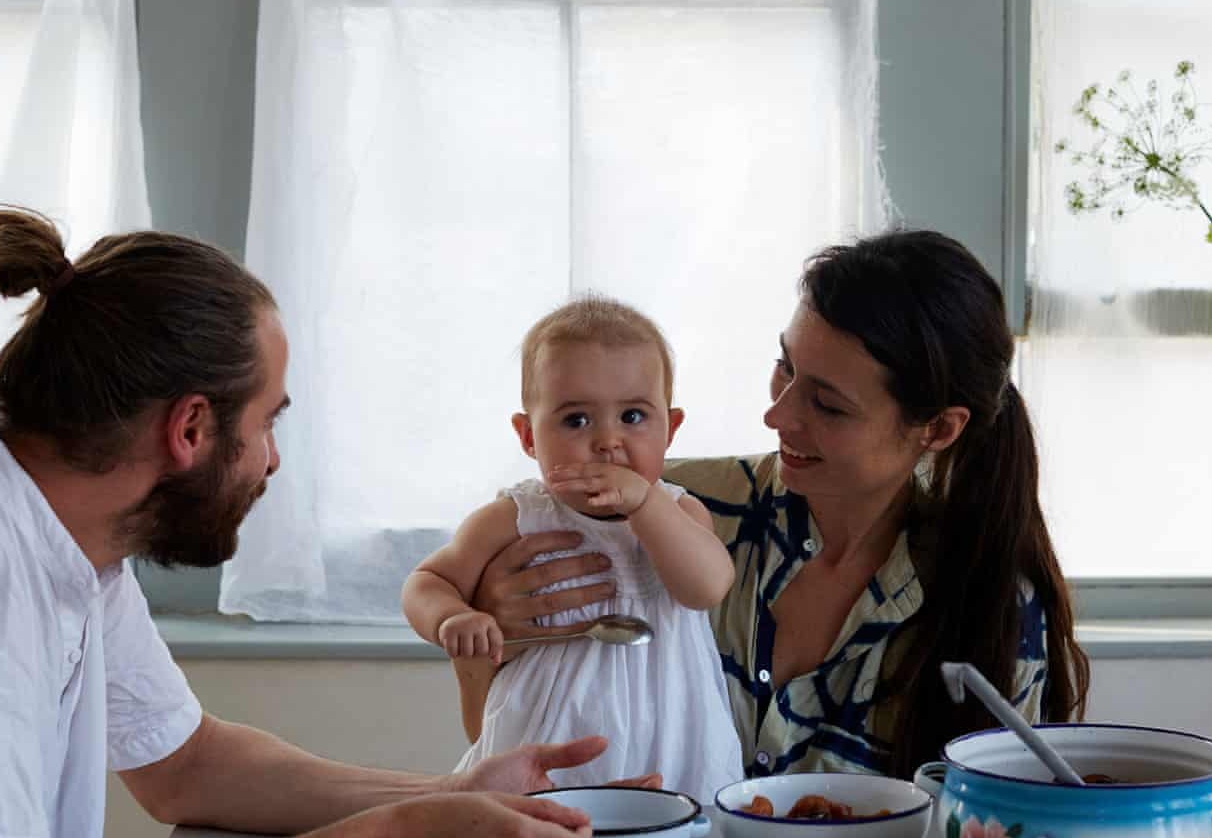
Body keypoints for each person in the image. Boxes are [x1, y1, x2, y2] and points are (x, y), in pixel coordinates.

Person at [0, 208, 616, 838]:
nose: (273, 461)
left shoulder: (55, 528)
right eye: (268, 422)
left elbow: (186, 765)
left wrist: (452, 795)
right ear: (192, 427)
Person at [464, 230, 1092, 781]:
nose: (776, 414)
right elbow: (497, 740)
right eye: (783, 368)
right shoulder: (642, 517)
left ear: (937, 429)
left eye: (827, 404)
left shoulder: (993, 604)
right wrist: (485, 641)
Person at [402, 297, 743, 804]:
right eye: (576, 421)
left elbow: (707, 587)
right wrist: (451, 617)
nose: (608, 441)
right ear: (527, 437)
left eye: (632, 416)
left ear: (670, 429)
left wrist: (645, 505)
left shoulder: (679, 512)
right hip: (549, 735)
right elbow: (427, 581)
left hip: (671, 733)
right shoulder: (517, 517)